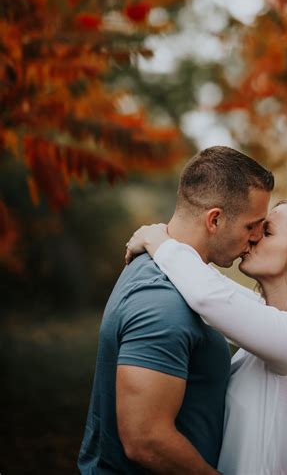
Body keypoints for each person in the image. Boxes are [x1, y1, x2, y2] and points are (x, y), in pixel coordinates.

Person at [126, 198, 287, 475]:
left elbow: (210, 298)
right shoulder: (265, 336)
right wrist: (160, 239)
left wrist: (158, 240)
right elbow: (217, 288)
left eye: (267, 232)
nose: (252, 238)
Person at [78, 145, 274, 474]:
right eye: (251, 226)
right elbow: (146, 438)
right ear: (215, 219)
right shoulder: (161, 300)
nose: (256, 238)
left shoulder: (182, 276)